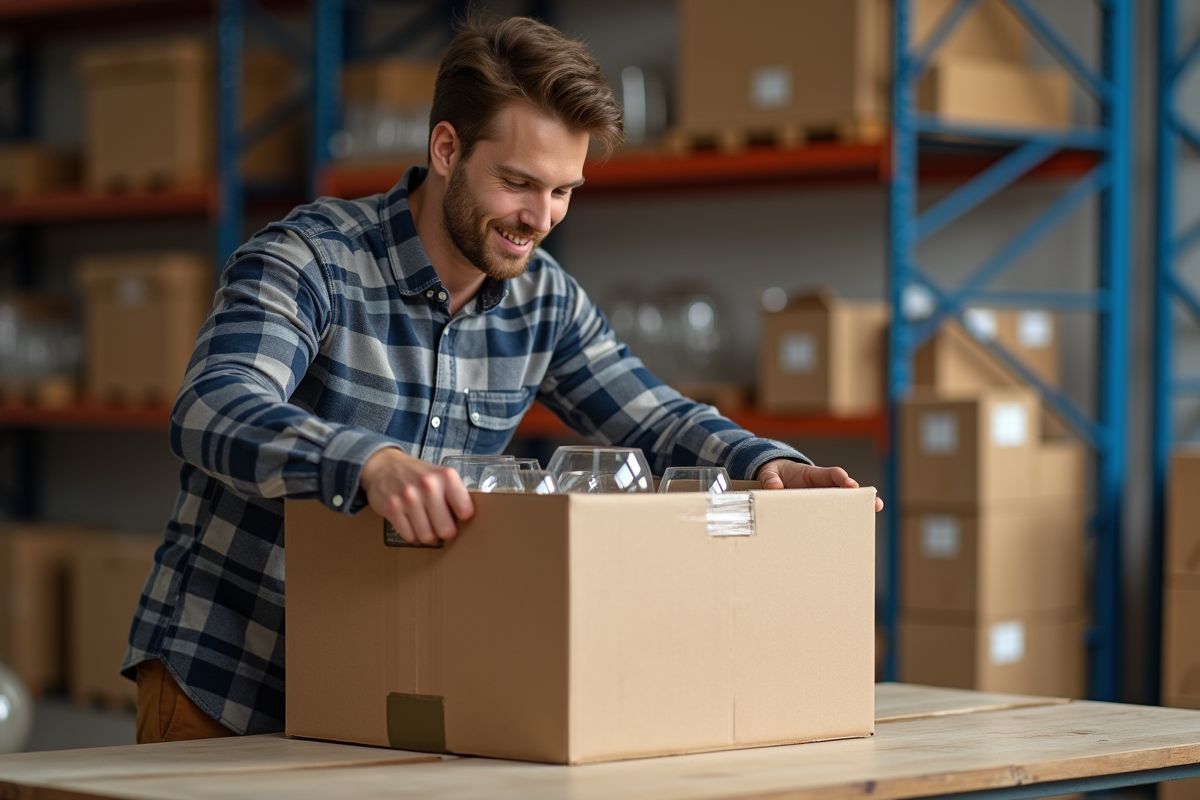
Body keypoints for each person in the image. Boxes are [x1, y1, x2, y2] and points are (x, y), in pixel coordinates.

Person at [124, 14, 883, 745]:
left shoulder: (543, 298)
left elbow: (654, 419)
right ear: (447, 148)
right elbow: (212, 406)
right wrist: (367, 463)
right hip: (230, 680)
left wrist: (769, 465)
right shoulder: (311, 259)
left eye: (564, 191)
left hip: (383, 682)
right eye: (519, 183)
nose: (541, 217)